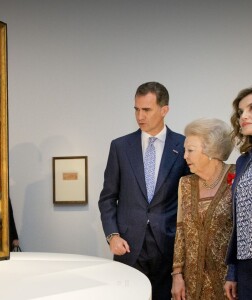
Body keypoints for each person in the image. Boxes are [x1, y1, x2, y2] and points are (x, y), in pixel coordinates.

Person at [98, 81, 189, 300]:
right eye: (137, 109)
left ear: (164, 110)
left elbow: (189, 200)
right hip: (128, 247)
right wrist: (112, 235)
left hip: (168, 246)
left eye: (146, 109)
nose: (140, 116)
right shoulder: (120, 147)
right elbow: (108, 198)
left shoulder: (184, 145)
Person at [171, 118, 235, 300]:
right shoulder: (185, 183)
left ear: (211, 152)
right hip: (190, 286)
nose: (185, 156)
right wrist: (177, 275)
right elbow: (181, 231)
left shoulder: (237, 177)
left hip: (228, 286)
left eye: (190, 150)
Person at [225, 87, 252, 300]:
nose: (244, 116)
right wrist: (232, 272)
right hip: (245, 264)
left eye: (251, 109)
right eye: (241, 111)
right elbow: (239, 222)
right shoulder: (243, 162)